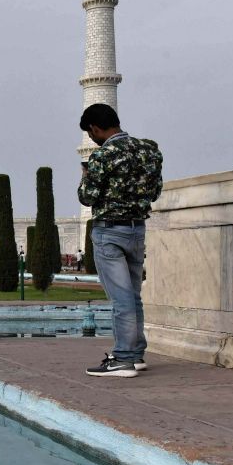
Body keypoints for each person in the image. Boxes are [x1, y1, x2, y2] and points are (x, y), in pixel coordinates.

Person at [78, 103, 163, 378]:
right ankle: (135, 354)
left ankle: (123, 358)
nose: (92, 139)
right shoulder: (149, 150)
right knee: (133, 296)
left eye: (91, 134)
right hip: (137, 229)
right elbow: (155, 191)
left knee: (121, 298)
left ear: (95, 129)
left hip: (109, 230)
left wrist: (86, 176)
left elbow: (87, 197)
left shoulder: (103, 156)